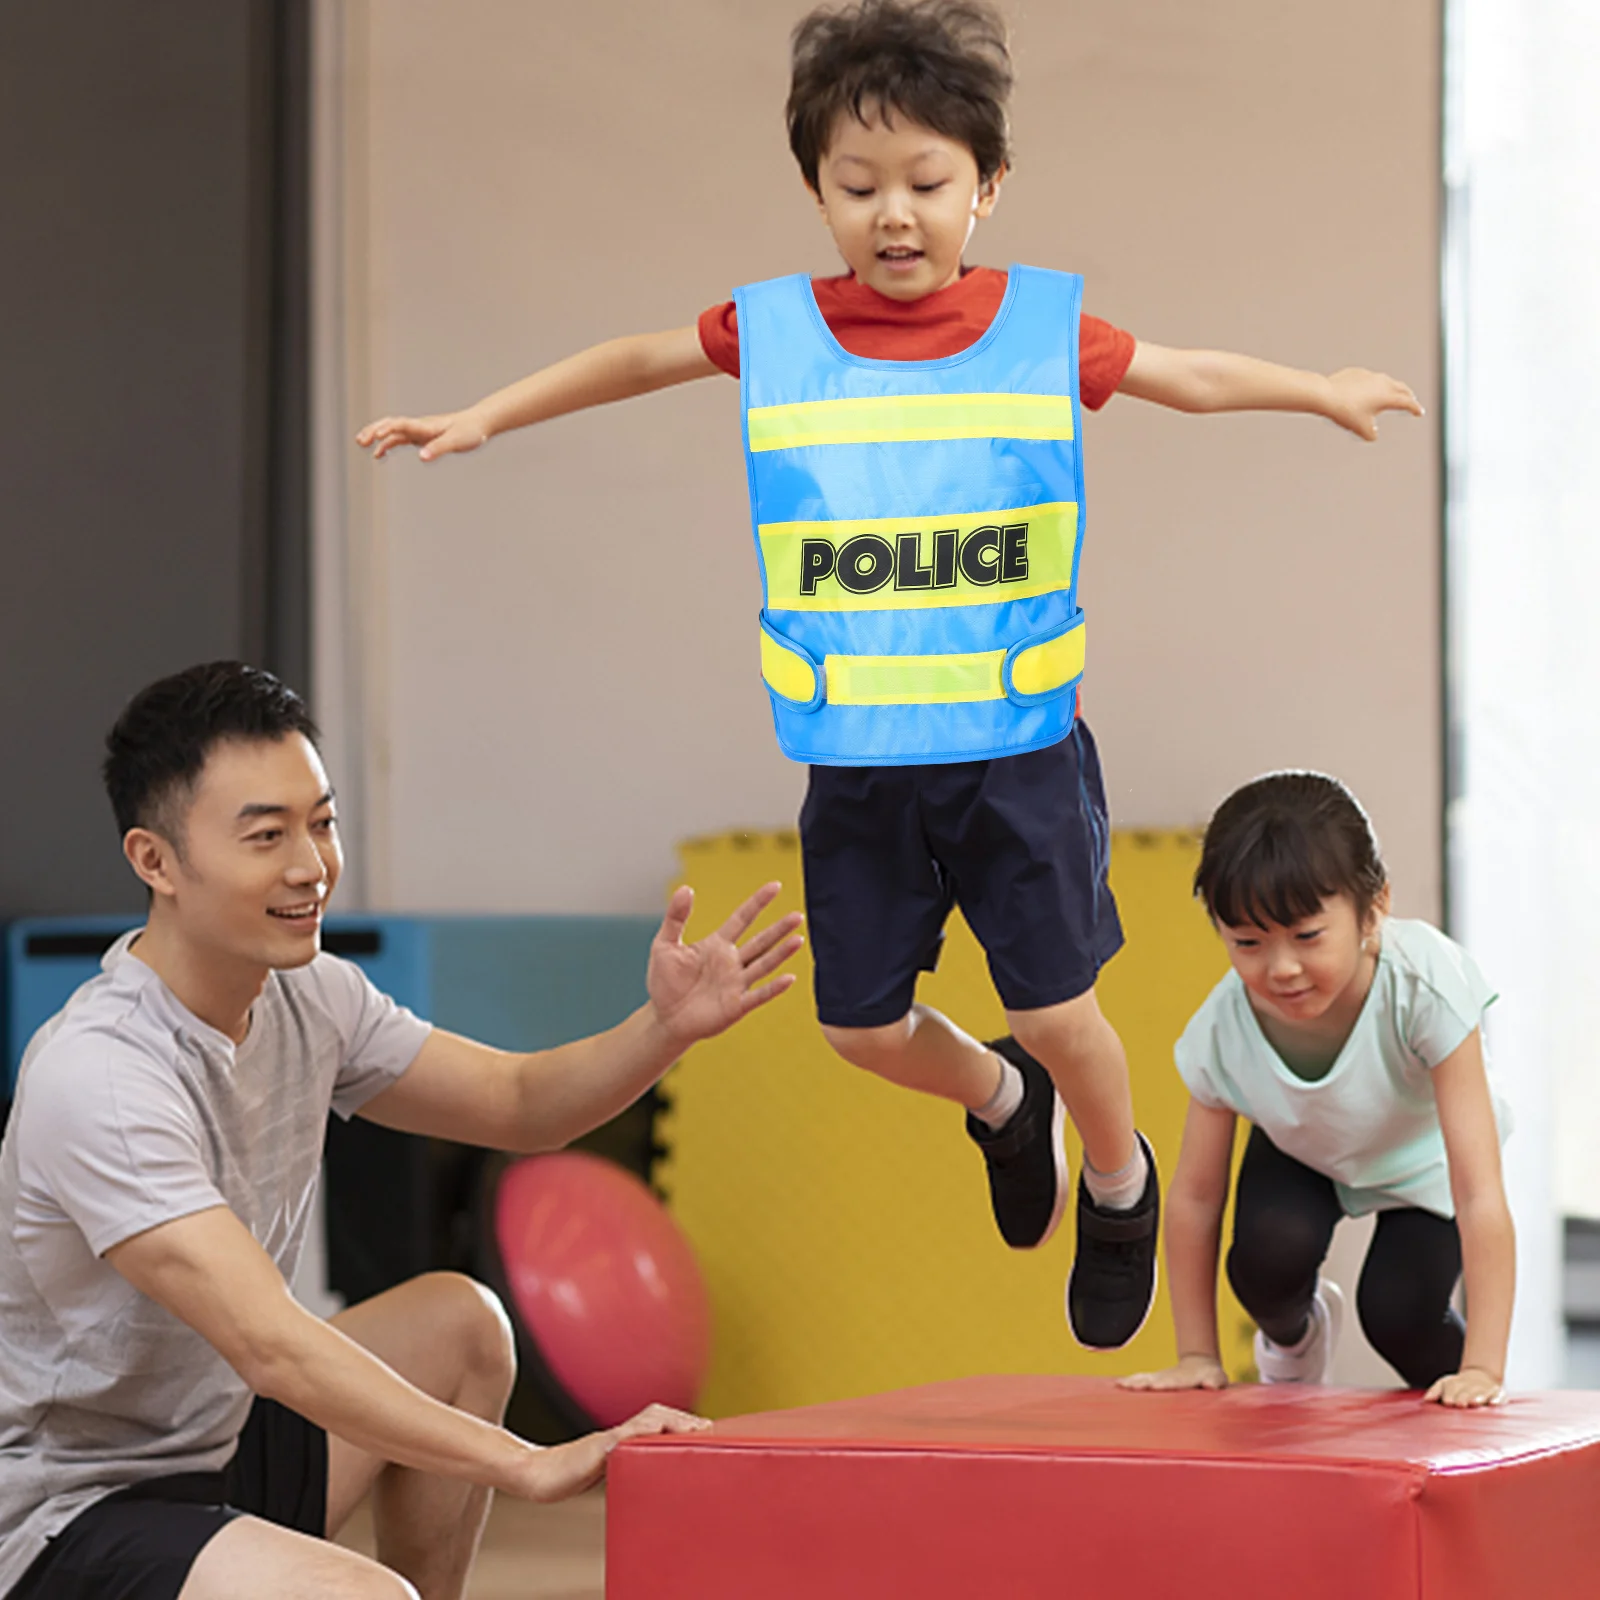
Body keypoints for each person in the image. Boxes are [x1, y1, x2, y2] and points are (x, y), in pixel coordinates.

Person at [355, 0, 1422, 1351]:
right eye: (858, 188)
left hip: (1016, 750)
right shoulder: (778, 334)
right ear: (817, 192)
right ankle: (1000, 1103)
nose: (895, 214)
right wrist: (486, 416)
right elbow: (636, 358)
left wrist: (1316, 385)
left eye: (927, 182)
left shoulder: (1043, 333)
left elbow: (1189, 375)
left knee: (1055, 1005)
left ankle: (1116, 1174)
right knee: (859, 1029)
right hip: (860, 761)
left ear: (988, 186)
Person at [0, 661, 804, 1600]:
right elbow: (272, 1344)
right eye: (266, 835)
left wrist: (662, 1029)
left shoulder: (311, 995)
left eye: (322, 822)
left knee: (463, 1323)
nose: (310, 866)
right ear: (156, 861)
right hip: (70, 1518)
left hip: (219, 1451)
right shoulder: (100, 1076)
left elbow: (516, 1103)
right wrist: (524, 1462)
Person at [1120, 771, 1514, 1407]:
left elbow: (1479, 1190)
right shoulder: (1224, 1028)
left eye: (1307, 937)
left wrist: (1485, 1370)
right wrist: (1197, 1354)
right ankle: (1295, 1339)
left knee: (1397, 1313)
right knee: (1265, 1260)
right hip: (1305, 1148)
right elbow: (1195, 1198)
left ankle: (1460, 1409)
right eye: (1247, 943)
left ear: (1374, 906)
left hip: (1426, 1156)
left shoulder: (1424, 986)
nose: (1280, 969)